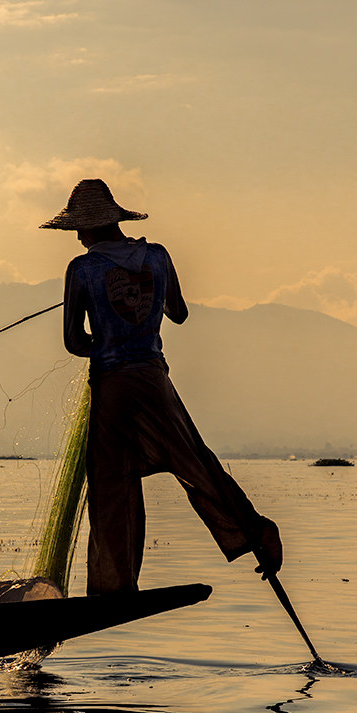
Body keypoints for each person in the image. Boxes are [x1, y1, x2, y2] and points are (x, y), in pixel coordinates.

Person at [40, 178, 282, 596]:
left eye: (78, 229)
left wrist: (109, 336)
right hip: (154, 378)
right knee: (194, 461)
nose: (77, 237)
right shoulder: (157, 256)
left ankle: (114, 588)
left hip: (112, 386)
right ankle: (256, 532)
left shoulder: (82, 269)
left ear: (91, 228)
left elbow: (74, 342)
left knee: (111, 484)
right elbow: (180, 313)